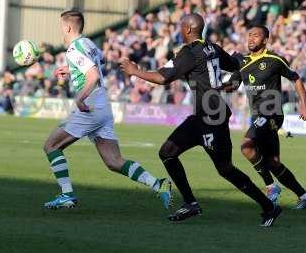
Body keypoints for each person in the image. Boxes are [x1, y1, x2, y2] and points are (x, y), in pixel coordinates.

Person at [120, 13, 281, 227]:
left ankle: (269, 207)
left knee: (226, 169)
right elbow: (234, 63)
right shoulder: (211, 47)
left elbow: (163, 78)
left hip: (211, 118)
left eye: (180, 26)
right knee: (167, 152)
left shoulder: (189, 52)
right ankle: (190, 203)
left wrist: (135, 71)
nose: (178, 29)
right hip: (203, 116)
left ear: (187, 29)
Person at [43, 9, 172, 210]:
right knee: (113, 161)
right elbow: (100, 61)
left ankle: (67, 195)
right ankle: (159, 185)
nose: (61, 30)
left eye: (61, 26)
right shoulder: (89, 43)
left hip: (91, 105)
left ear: (68, 27)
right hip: (103, 104)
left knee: (51, 146)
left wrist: (80, 97)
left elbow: (93, 75)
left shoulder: (73, 49)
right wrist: (72, 69)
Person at [221, 25, 306, 209]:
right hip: (256, 116)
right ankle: (304, 196)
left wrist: (304, 104)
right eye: (249, 35)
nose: (251, 39)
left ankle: (271, 187)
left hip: (272, 114)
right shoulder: (243, 62)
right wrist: (215, 87)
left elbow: (295, 78)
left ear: (265, 40)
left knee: (246, 146)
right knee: (272, 162)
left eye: (256, 36)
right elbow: (233, 85)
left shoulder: (274, 59)